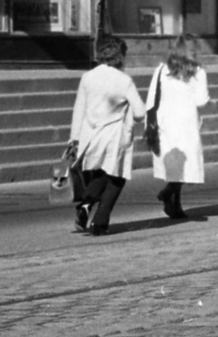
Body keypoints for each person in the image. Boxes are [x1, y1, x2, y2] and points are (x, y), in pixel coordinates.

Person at [70, 35, 146, 236]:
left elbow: (79, 109)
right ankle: (100, 221)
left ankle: (86, 205)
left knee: (99, 173)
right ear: (121, 56)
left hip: (91, 135)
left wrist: (74, 138)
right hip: (114, 135)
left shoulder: (88, 77)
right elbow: (140, 113)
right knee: (116, 177)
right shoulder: (124, 80)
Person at [148, 33, 210, 220]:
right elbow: (201, 101)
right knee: (185, 163)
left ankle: (175, 205)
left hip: (165, 122)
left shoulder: (162, 69)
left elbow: (152, 97)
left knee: (174, 164)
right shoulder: (198, 72)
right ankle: (168, 193)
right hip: (186, 124)